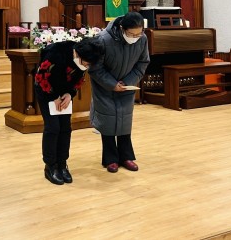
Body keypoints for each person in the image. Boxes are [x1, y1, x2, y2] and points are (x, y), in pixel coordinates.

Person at [34, 37, 104, 185]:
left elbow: (79, 79)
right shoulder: (55, 52)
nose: (87, 67)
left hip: (64, 94)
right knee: (53, 127)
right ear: (77, 54)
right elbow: (41, 77)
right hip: (47, 92)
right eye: (86, 64)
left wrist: (69, 94)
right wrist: (53, 97)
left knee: (65, 128)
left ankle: (62, 164)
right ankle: (50, 166)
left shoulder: (84, 59)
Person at [88, 11, 149, 173]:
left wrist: (128, 81)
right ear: (122, 28)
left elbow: (143, 63)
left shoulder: (142, 39)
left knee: (125, 121)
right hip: (105, 87)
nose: (135, 37)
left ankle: (126, 157)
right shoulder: (103, 39)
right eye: (132, 34)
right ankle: (110, 159)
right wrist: (112, 84)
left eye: (139, 33)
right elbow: (95, 68)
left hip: (127, 86)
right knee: (107, 122)